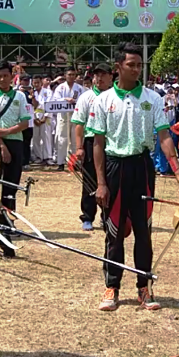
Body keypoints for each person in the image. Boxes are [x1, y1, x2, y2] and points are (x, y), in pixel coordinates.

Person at [90, 42, 179, 312]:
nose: (136, 69)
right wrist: (100, 183)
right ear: (118, 67)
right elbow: (97, 143)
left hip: (142, 168)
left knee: (143, 232)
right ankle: (112, 286)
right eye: (131, 65)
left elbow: (164, 136)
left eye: (139, 65)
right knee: (114, 233)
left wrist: (176, 170)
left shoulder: (152, 99)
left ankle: (144, 287)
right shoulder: (103, 99)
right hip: (114, 168)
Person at [0, 60, 32, 257]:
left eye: (6, 75)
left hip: (16, 142)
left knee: (11, 187)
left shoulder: (20, 96)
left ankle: (8, 221)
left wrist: (6, 132)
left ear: (11, 76)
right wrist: (0, 143)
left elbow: (25, 122)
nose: (3, 79)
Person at [71, 63, 113, 231]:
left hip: (111, 143)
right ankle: (88, 216)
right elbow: (79, 124)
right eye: (96, 75)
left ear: (111, 77)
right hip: (90, 142)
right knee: (89, 181)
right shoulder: (86, 97)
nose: (99, 78)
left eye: (103, 75)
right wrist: (79, 147)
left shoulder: (115, 96)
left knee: (110, 180)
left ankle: (107, 215)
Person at [53, 69, 84, 172]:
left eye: (73, 75)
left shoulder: (79, 88)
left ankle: (76, 163)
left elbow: (83, 101)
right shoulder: (60, 88)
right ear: (65, 75)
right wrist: (66, 99)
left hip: (75, 116)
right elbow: (55, 100)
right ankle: (60, 163)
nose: (71, 76)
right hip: (63, 116)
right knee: (62, 139)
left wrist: (75, 101)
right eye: (69, 74)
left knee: (75, 140)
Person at [32, 76, 55, 165]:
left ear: (41, 83)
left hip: (46, 117)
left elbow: (50, 104)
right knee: (36, 138)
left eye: (38, 82)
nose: (36, 84)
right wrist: (34, 118)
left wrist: (44, 117)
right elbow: (30, 107)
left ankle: (48, 157)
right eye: (35, 83)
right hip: (35, 117)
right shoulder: (32, 93)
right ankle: (38, 156)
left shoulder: (48, 92)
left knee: (46, 137)